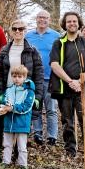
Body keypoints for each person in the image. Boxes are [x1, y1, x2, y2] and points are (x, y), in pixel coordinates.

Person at [48, 11, 85, 165]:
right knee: (67, 121)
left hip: (84, 89)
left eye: (74, 21)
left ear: (78, 23)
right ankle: (70, 151)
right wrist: (70, 81)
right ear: (65, 25)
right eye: (69, 22)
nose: (72, 24)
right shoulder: (58, 43)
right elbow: (54, 64)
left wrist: (80, 81)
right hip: (64, 89)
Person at [26, 10, 61, 146]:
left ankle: (52, 136)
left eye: (45, 18)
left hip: (51, 78)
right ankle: (38, 133)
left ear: (49, 20)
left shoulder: (56, 36)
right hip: (34, 78)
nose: (42, 20)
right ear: (36, 19)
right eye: (40, 17)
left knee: (51, 108)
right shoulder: (28, 36)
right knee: (36, 107)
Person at [0, 64, 36, 169]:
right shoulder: (9, 89)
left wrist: (12, 108)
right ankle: (6, 162)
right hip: (9, 122)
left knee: (22, 146)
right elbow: (4, 100)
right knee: (7, 144)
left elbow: (26, 107)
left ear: (24, 77)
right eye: (14, 76)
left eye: (19, 76)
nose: (16, 79)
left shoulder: (29, 92)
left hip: (22, 123)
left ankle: (23, 165)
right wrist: (4, 106)